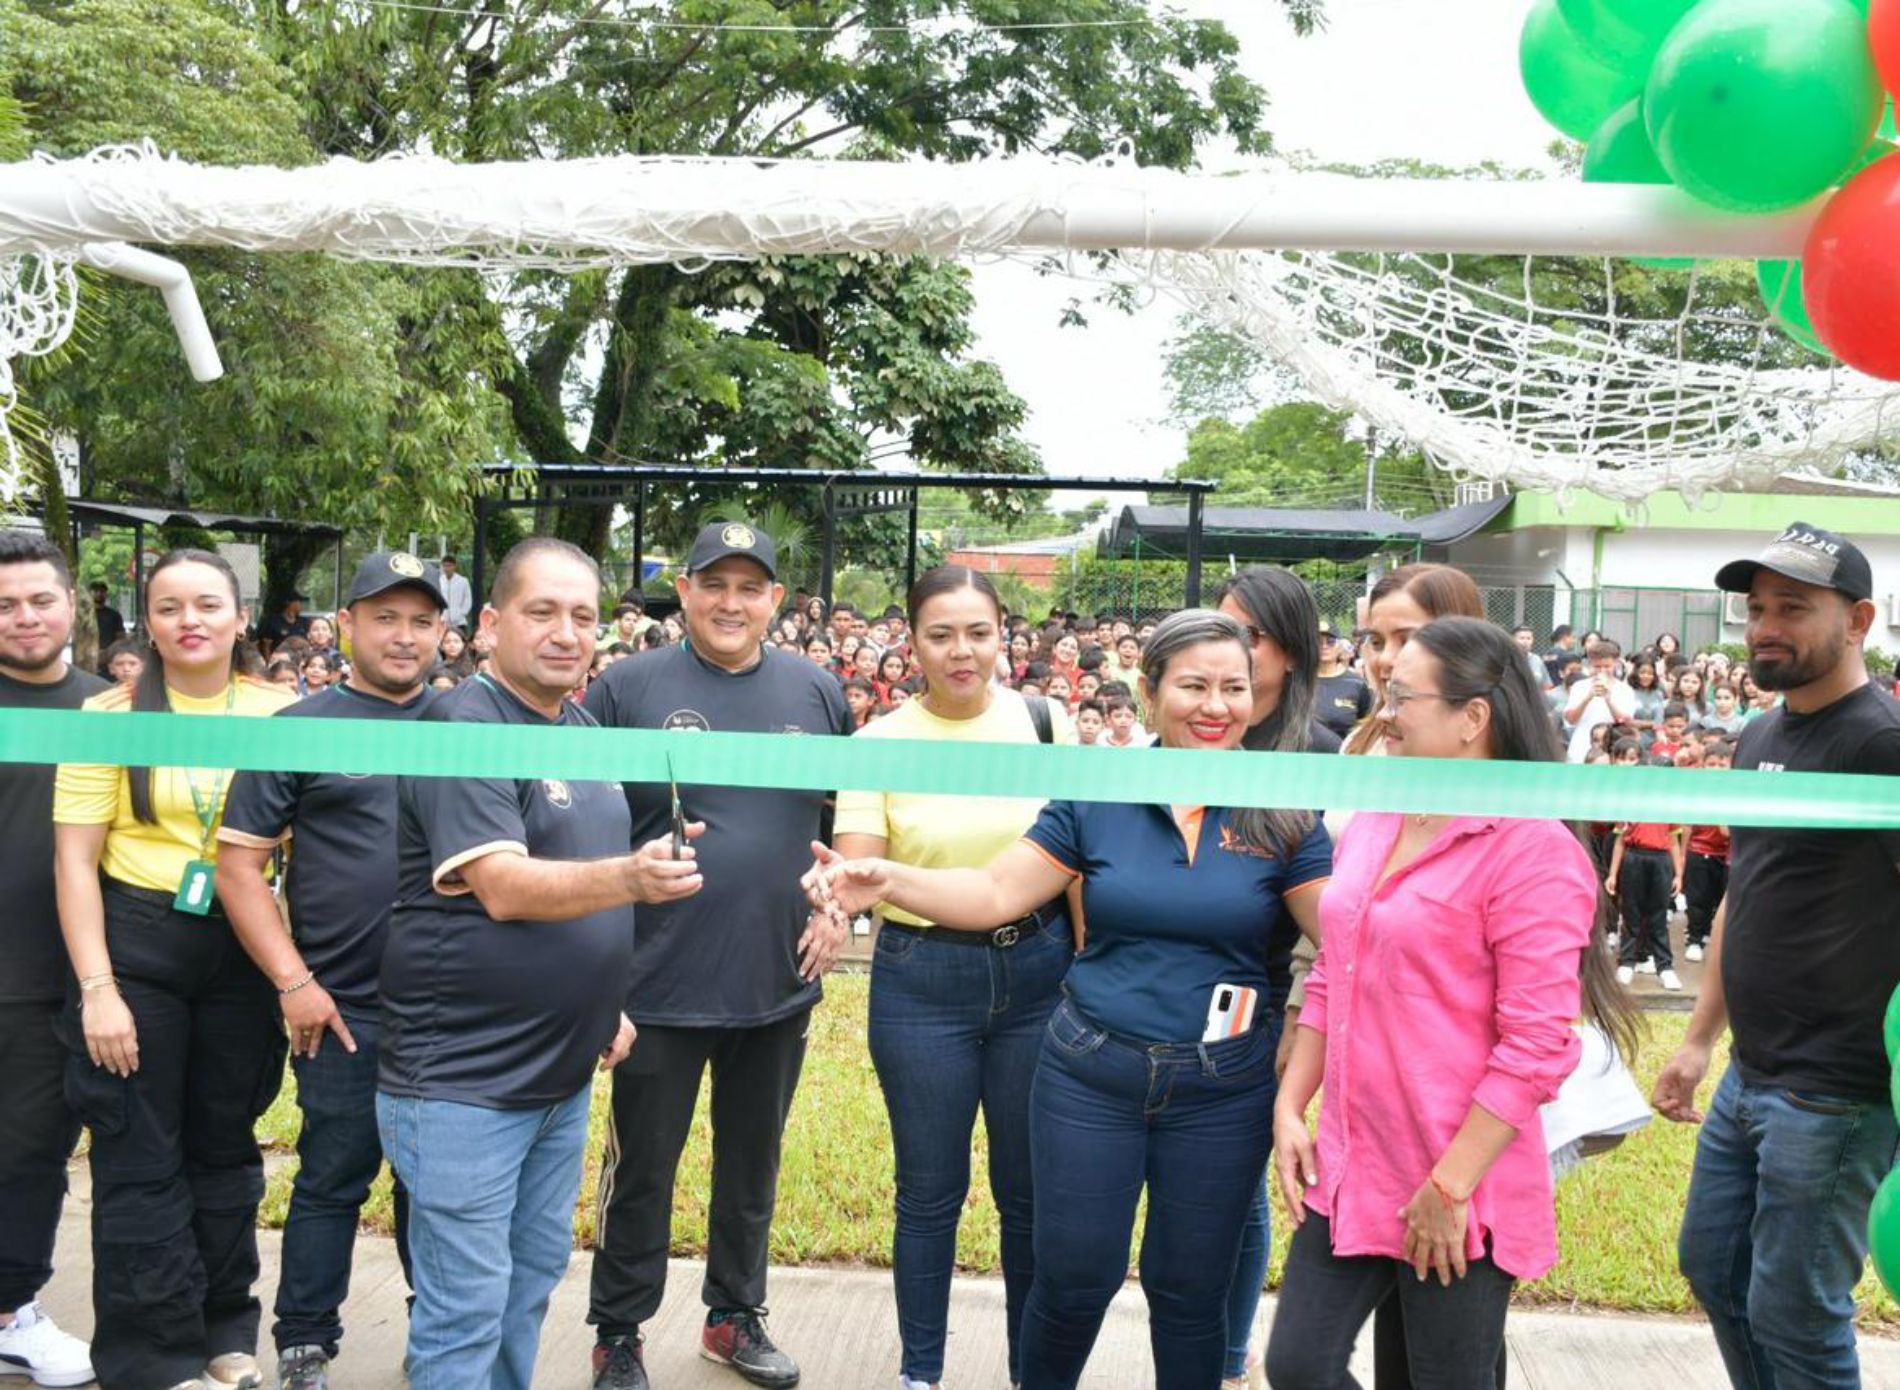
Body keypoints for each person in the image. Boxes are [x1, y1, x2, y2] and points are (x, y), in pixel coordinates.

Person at [809, 609, 1328, 1390]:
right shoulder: (1098, 791)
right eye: (1193, 686)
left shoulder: (1285, 808)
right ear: (1150, 694)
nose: (1214, 706)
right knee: (1074, 1279)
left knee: (1192, 1292)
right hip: (1092, 1077)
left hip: (1223, 1092)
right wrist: (888, 880)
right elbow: (994, 890)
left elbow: (1350, 937)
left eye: (1233, 688)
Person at [1268, 616, 1634, 1390]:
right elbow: (1337, 967)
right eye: (1384, 690)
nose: (1384, 712)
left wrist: (1450, 1187)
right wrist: (1292, 1105)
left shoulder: (1533, 853)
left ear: (1474, 718)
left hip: (1458, 1179)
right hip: (1355, 1162)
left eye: (1403, 695)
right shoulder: (1381, 815)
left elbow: (1536, 1047)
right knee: (1297, 1365)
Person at [376, 537, 701, 1390]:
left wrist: (607, 1001)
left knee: (525, 1290)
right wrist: (634, 874)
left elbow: (582, 881)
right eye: (542, 612)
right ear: (489, 625)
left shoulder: (584, 727)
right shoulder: (465, 725)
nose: (566, 633)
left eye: (584, 616)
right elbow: (504, 886)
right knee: (465, 1308)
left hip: (560, 1077)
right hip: (464, 1085)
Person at [584, 522, 851, 1390]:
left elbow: (840, 827)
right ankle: (618, 1330)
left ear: (777, 599)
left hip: (777, 978)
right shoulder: (625, 686)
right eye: (714, 585)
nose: (731, 603)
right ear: (686, 591)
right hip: (654, 982)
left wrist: (837, 901)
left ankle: (735, 1318)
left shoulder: (818, 690)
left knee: (752, 1166)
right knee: (642, 1172)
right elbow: (583, 823)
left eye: (751, 587)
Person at [1655, 523, 1900, 1388]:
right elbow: (1744, 899)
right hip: (1751, 1077)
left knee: (1796, 1310)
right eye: (1757, 607)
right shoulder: (1760, 738)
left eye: (1793, 608)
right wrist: (1697, 1038)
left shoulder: (1882, 745)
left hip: (1837, 1092)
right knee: (1716, 1272)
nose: (1765, 625)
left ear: (1859, 619)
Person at [52, 549, 295, 1390]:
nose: (188, 620)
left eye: (206, 604)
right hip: (138, 948)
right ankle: (152, 1357)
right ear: (147, 622)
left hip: (242, 943)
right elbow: (75, 864)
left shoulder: (285, 714)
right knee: (138, 1153)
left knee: (225, 1148)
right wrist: (98, 990)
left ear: (239, 619)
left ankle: (225, 1330)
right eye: (167, 607)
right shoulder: (105, 716)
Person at [831, 565, 1077, 1390]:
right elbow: (857, 869)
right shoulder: (877, 745)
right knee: (929, 1194)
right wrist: (830, 901)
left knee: (1028, 1194)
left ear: (1004, 634)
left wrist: (1088, 965)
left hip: (1041, 972)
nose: (962, 650)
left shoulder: (1048, 724)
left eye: (978, 631)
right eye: (941, 633)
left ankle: (1028, 1372)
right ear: (912, 642)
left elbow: (1079, 864)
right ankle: (920, 1373)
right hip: (920, 979)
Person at [216, 553, 449, 1390]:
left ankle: (445, 1338)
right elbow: (238, 865)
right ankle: (306, 1341)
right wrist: (293, 981)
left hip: (452, 1012)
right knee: (332, 1178)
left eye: (422, 620)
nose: (404, 635)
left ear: (443, 634)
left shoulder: (471, 727)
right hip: (343, 1008)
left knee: (441, 1189)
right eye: (385, 616)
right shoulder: (300, 727)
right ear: (345, 624)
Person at [1212, 566, 1339, 1388]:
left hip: (1280, 1001)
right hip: (1187, 992)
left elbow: (1339, 916)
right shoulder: (1191, 737)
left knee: (1245, 1183)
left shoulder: (1325, 757)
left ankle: (1228, 1352)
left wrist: (1299, 1022)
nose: (1233, 651)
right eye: (1220, 628)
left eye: (1250, 637)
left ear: (1291, 654)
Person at [0, 531, 103, 1389]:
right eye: (5, 604)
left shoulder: (113, 710)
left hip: (55, 978)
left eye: (40, 599)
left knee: (31, 1150)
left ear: (73, 604)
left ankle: (11, 1313)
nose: (25, 616)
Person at [1604, 741, 1685, 993]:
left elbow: (1673, 841)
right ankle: (1627, 961)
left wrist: (1679, 874)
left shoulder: (1669, 805)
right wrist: (1613, 873)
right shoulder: (1630, 803)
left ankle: (1664, 966)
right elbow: (1619, 840)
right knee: (1631, 912)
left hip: (1660, 861)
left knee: (1658, 914)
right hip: (1633, 858)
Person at [1681, 742, 1732, 965]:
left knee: (1722, 900)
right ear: (1702, 765)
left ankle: (1717, 937)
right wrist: (1683, 856)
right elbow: (1688, 826)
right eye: (1712, 764)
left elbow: (1729, 831)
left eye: (1723, 765)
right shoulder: (1697, 791)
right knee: (1698, 899)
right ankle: (1695, 939)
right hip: (1699, 851)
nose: (1717, 769)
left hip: (1728, 856)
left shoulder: (1734, 793)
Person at [1564, 639, 1635, 763]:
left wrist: (1609, 700)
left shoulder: (1625, 690)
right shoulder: (1579, 686)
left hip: (1612, 749)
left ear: (1616, 664)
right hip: (1581, 748)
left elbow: (1626, 723)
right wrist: (1588, 697)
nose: (1602, 670)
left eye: (1607, 666)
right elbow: (1570, 719)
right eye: (1597, 666)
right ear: (1590, 664)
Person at [1314, 627, 1373, 738]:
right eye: (1318, 641)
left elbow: (1366, 725)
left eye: (1331, 641)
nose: (1324, 646)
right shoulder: (1300, 681)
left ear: (1340, 646)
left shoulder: (1356, 683)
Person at [258, 590, 312, 655]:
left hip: (301, 659)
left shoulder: (305, 622)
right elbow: (266, 645)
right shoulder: (273, 622)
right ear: (288, 603)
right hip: (279, 660)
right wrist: (268, 663)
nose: (301, 605)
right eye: (299, 602)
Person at [438, 553, 473, 634]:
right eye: (445, 566)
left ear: (454, 566)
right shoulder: (439, 580)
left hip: (459, 622)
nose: (447, 568)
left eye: (449, 565)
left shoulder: (463, 581)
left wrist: (461, 614)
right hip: (443, 622)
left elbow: (468, 600)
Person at [90, 580, 127, 654]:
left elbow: (120, 638)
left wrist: (108, 652)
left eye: (102, 591)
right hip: (86, 657)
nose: (99, 594)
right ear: (90, 593)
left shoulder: (114, 615)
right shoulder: (84, 615)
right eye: (96, 591)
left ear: (106, 594)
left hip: (109, 657)